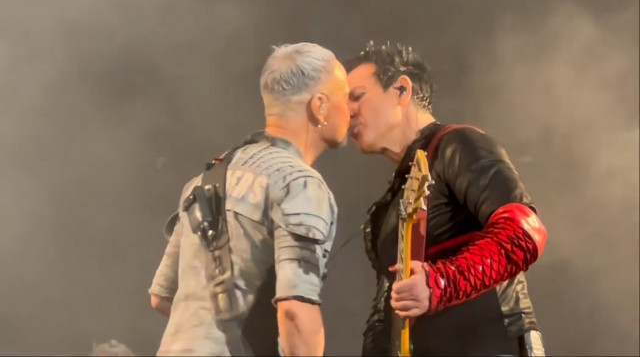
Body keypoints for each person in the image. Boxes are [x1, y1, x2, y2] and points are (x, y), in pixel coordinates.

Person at [345, 41, 548, 356]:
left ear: (401, 90)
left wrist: (438, 283)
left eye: (357, 96)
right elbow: (387, 307)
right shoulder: (388, 204)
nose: (347, 112)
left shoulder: (458, 144)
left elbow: (524, 233)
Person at [148, 42, 351, 356]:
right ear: (319, 106)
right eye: (346, 97)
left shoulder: (205, 180)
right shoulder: (299, 183)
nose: (351, 109)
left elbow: (162, 297)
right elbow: (295, 312)